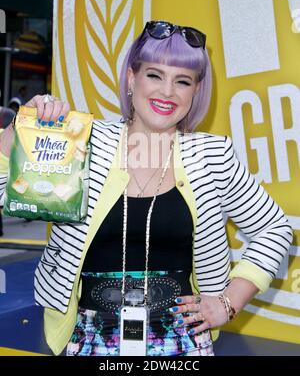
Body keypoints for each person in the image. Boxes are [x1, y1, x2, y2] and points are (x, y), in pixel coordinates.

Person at [0, 21, 293, 356]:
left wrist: (228, 302)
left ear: (196, 91)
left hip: (183, 343)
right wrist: (19, 130)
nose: (167, 92)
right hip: (90, 340)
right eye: (155, 75)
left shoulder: (212, 156)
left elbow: (274, 228)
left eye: (182, 81)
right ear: (131, 78)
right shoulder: (80, 143)